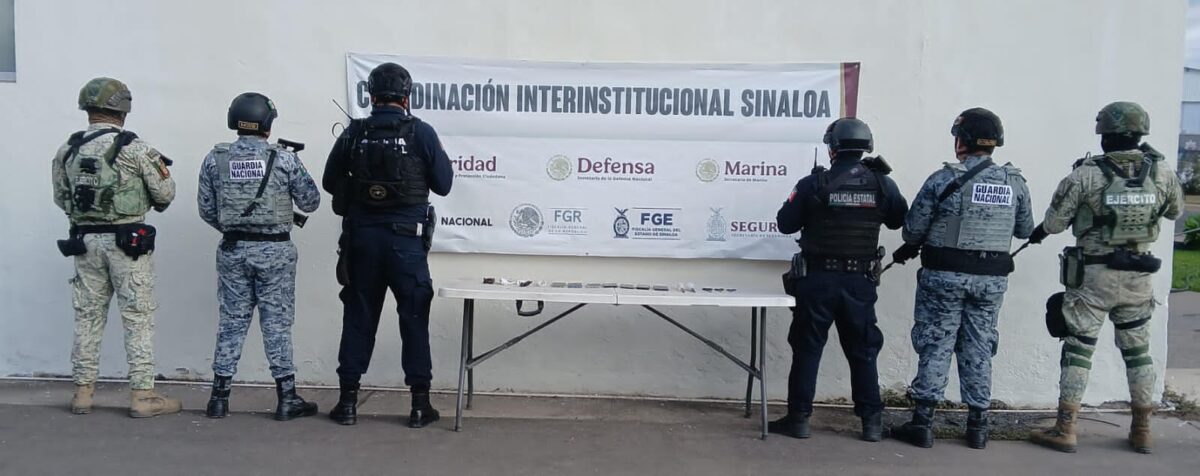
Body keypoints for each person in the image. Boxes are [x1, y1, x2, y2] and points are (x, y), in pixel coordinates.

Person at [1028, 102, 1183, 454]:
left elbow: (1054, 224)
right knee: (1138, 353)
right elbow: (1175, 211)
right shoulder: (1161, 171)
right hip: (1138, 275)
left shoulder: (1086, 174)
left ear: (1104, 135)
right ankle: (1142, 429)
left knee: (1079, 349)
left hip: (1093, 277)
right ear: (1140, 132)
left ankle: (1066, 428)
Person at [890, 108, 1034, 449]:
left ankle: (923, 422)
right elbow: (1025, 229)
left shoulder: (942, 179)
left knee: (936, 342)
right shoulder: (1014, 182)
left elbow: (912, 231)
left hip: (944, 279)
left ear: (962, 141)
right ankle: (978, 426)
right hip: (990, 281)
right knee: (980, 346)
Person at [323, 62, 453, 427]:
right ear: (406, 97)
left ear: (371, 96)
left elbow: (330, 181)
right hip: (406, 244)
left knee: (358, 318)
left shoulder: (354, 132)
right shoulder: (421, 132)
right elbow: (444, 184)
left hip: (362, 241)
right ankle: (419, 406)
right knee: (414, 319)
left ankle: (347, 403)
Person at [771, 117, 908, 442]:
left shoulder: (813, 184)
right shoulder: (882, 184)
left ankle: (799, 419)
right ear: (866, 146)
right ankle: (871, 424)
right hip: (859, 282)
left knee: (807, 348)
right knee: (863, 350)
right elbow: (900, 220)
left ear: (831, 147)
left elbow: (785, 223)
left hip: (817, 279)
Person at [51, 77, 180, 417]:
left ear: (87, 108)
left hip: (84, 241)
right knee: (137, 315)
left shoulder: (68, 149)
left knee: (87, 315)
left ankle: (82, 393)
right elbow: (165, 194)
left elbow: (61, 198)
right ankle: (142, 396)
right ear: (123, 109)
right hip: (128, 244)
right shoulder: (135, 149)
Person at [197, 92, 322, 420]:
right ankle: (287, 398)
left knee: (232, 321)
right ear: (266, 124)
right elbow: (311, 201)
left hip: (233, 250)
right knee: (276, 322)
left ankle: (219, 399)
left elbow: (207, 210)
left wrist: (236, 228)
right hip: (276, 252)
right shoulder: (284, 159)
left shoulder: (214, 159)